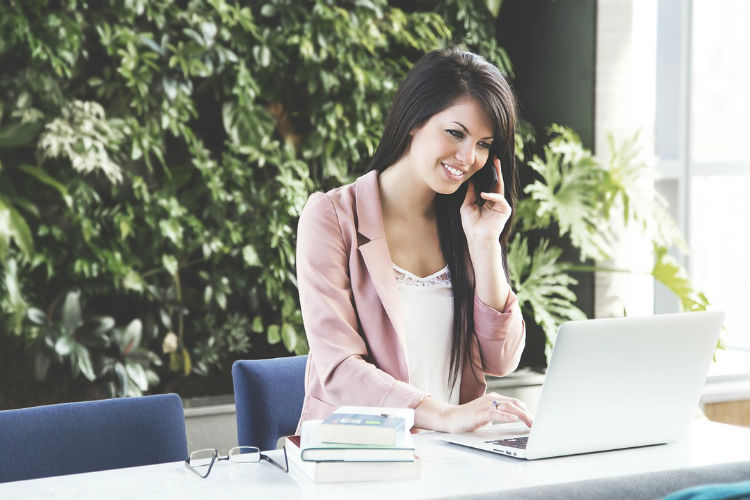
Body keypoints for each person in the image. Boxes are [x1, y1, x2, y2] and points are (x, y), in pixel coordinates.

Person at [295, 46, 533, 434]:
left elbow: (502, 359)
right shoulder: (332, 217)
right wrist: (443, 415)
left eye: (484, 144)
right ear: (413, 120)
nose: (468, 156)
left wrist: (486, 246)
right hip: (360, 453)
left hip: (455, 458)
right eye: (456, 133)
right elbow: (338, 368)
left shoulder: (467, 223)